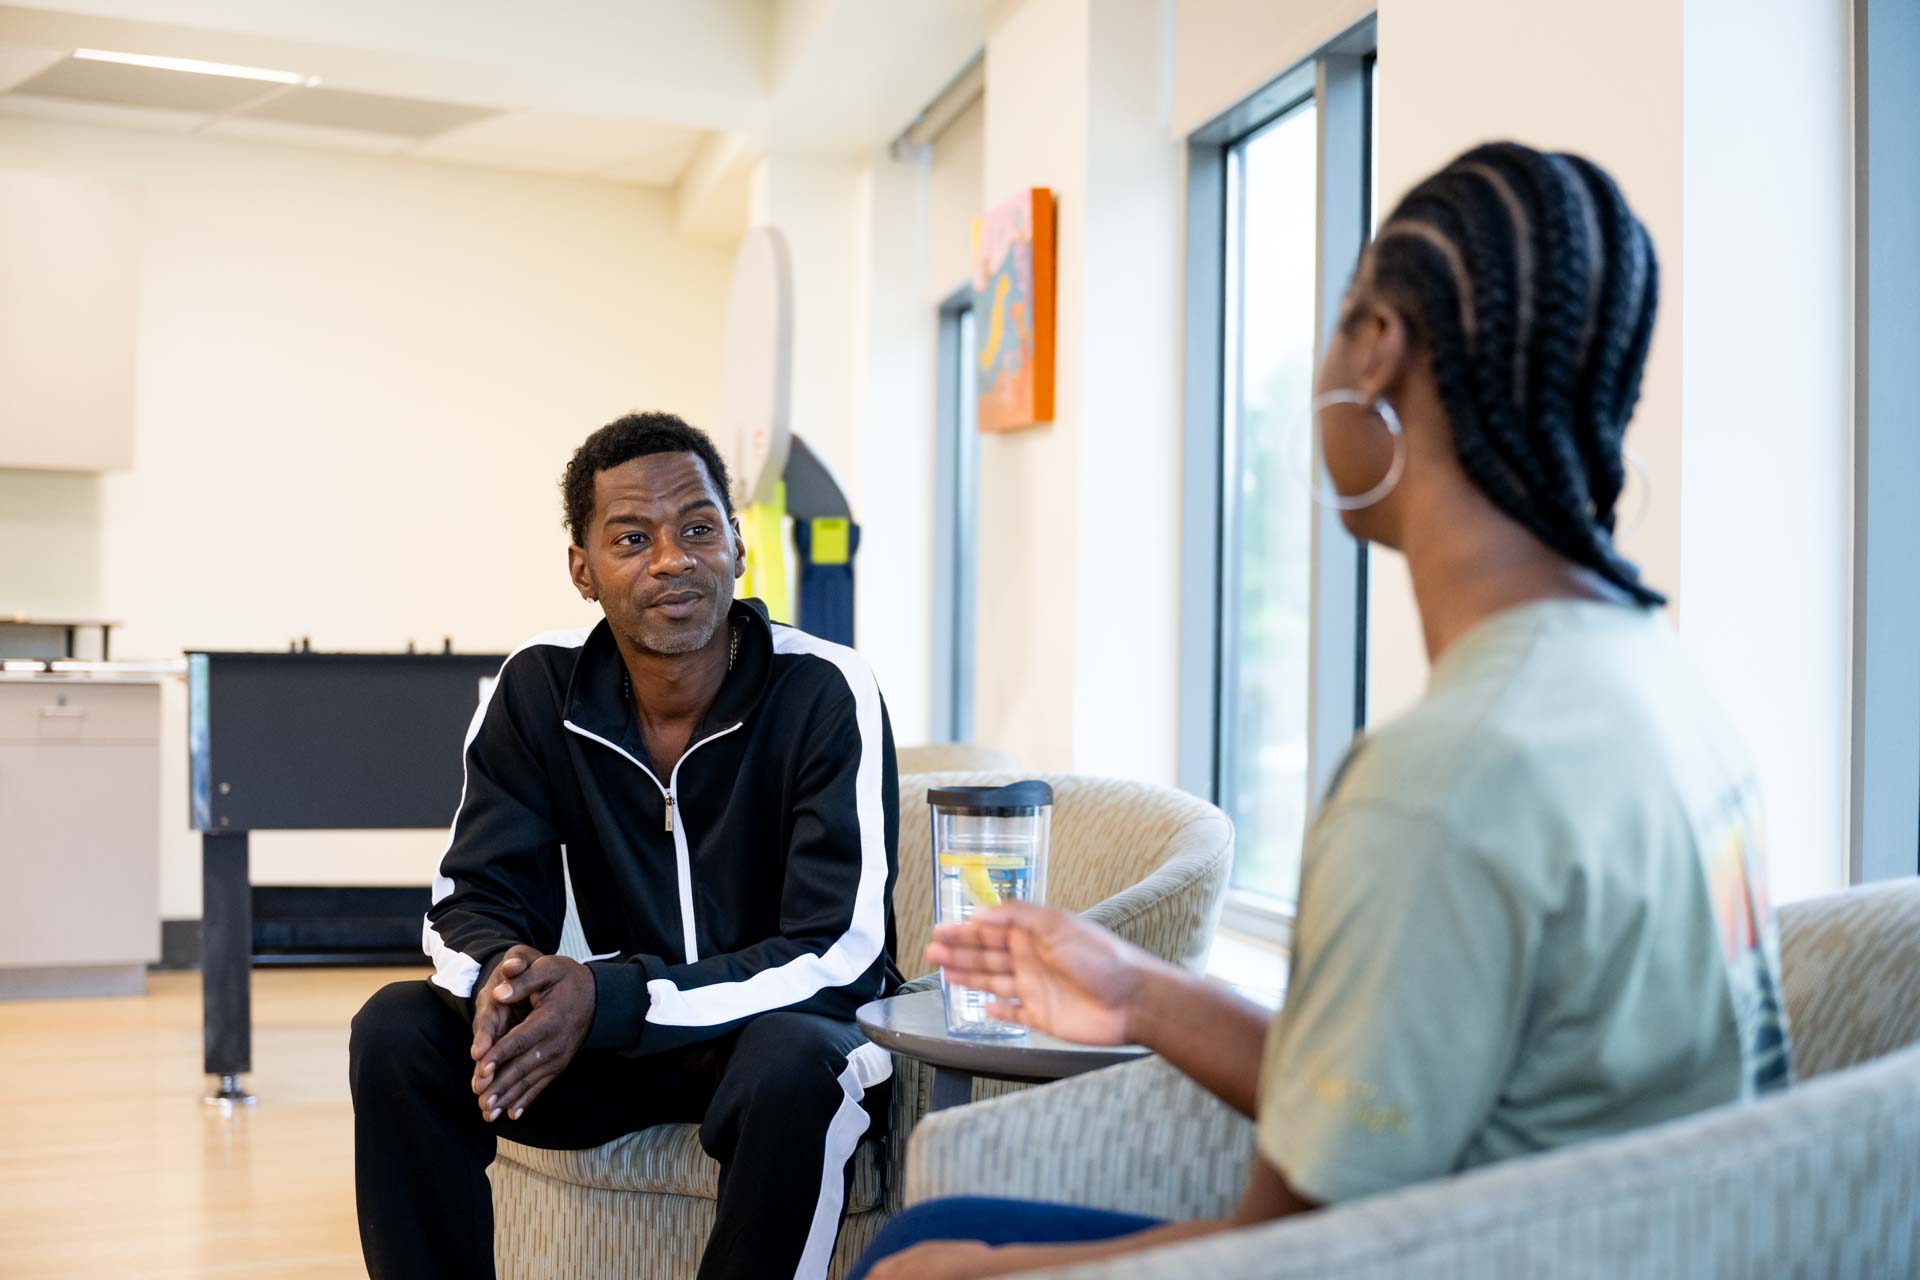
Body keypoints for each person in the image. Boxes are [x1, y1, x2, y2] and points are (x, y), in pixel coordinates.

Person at [855, 141, 1792, 1279]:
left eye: (1337, 321)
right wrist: (1140, 989)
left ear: (1378, 350)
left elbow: (1290, 1252)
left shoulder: (1444, 776)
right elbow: (1412, 1096)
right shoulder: (1653, 682)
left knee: (909, 1258)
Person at [349, 412, 901, 1280]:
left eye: (698, 528)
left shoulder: (825, 689)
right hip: (630, 1040)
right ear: (583, 569)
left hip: (774, 1033)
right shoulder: (538, 690)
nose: (673, 559)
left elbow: (843, 953)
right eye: (632, 538)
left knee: (792, 1063)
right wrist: (505, 980)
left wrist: (612, 997)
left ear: (737, 545)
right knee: (398, 1030)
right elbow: (471, 902)